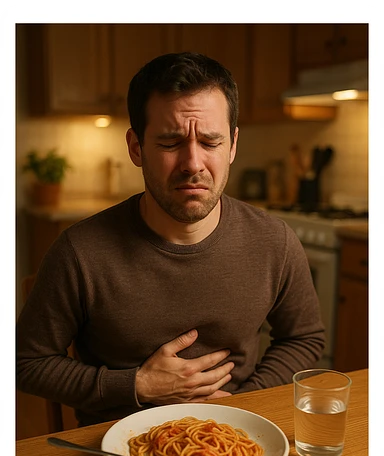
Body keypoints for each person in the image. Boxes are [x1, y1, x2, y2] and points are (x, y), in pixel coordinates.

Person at [17, 52, 325, 426]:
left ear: (232, 145)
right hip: (112, 452)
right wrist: (137, 386)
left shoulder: (274, 241)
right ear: (136, 147)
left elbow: (305, 338)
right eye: (169, 143)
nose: (193, 164)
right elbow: (26, 362)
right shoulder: (80, 252)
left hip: (236, 438)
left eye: (210, 142)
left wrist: (245, 402)